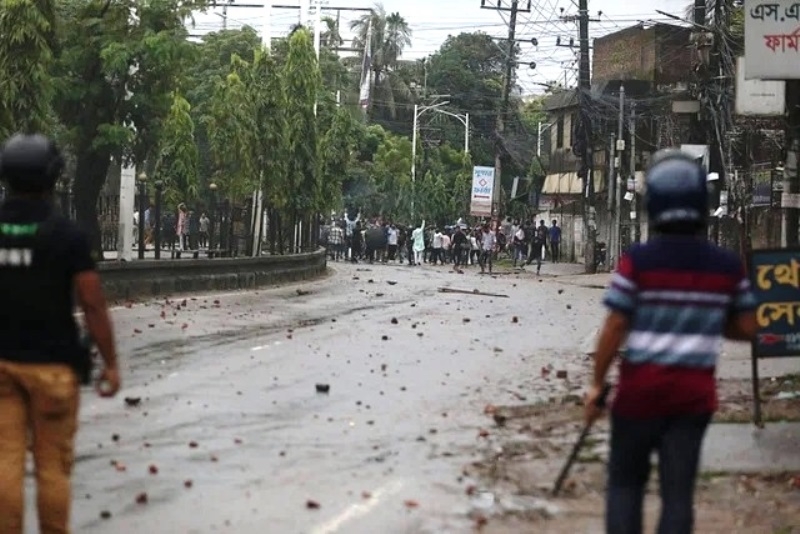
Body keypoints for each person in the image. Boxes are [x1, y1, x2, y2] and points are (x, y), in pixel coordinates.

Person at [584, 150, 757, 534]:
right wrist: (707, 319)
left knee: (626, 485)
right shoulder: (727, 266)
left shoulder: (639, 261)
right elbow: (748, 328)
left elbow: (615, 326)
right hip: (692, 400)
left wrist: (597, 384)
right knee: (678, 495)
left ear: (653, 204)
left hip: (638, 396)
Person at [0, 134, 121, 534]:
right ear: (53, 178)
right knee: (53, 469)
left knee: (5, 464)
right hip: (54, 367)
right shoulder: (68, 236)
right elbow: (93, 304)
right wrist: (111, 364)